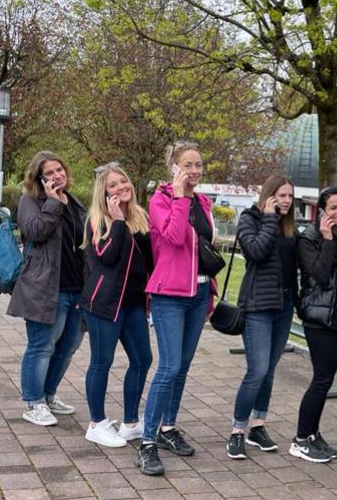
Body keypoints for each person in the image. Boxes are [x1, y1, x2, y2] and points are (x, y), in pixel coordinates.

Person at [135, 141, 217, 476]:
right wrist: (181, 196)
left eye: (198, 165)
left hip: (198, 293)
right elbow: (171, 238)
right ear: (173, 167)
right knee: (168, 367)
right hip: (170, 293)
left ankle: (168, 427)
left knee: (182, 367)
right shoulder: (160, 199)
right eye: (188, 165)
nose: (194, 171)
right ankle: (147, 442)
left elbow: (205, 248)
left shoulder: (205, 201)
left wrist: (209, 292)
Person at [9, 151, 87, 427]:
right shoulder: (30, 201)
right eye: (50, 173)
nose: (57, 176)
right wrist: (53, 203)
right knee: (42, 346)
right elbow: (34, 232)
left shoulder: (75, 202)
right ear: (39, 179)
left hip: (76, 288)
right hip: (45, 288)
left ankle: (49, 395)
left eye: (59, 170)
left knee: (68, 347)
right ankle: (33, 402)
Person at [80, 163, 154, 447]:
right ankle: (96, 423)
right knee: (102, 361)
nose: (121, 187)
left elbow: (149, 260)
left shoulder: (140, 216)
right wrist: (118, 221)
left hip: (134, 303)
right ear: (104, 191)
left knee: (142, 359)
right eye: (113, 185)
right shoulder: (99, 220)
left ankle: (131, 423)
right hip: (105, 304)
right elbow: (108, 257)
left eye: (124, 181)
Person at [289, 187, 337, 464]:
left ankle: (312, 433)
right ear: (322, 211)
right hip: (320, 319)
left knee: (327, 379)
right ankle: (299, 439)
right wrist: (327, 238)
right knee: (321, 378)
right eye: (333, 207)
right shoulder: (309, 238)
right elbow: (319, 275)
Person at [226, 175, 297, 460]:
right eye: (282, 195)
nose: (287, 201)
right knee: (256, 370)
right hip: (257, 307)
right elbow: (255, 251)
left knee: (268, 371)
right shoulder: (250, 218)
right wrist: (269, 218)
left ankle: (258, 425)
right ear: (269, 195)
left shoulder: (290, 227)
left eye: (290, 197)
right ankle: (237, 431)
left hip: (283, 307)